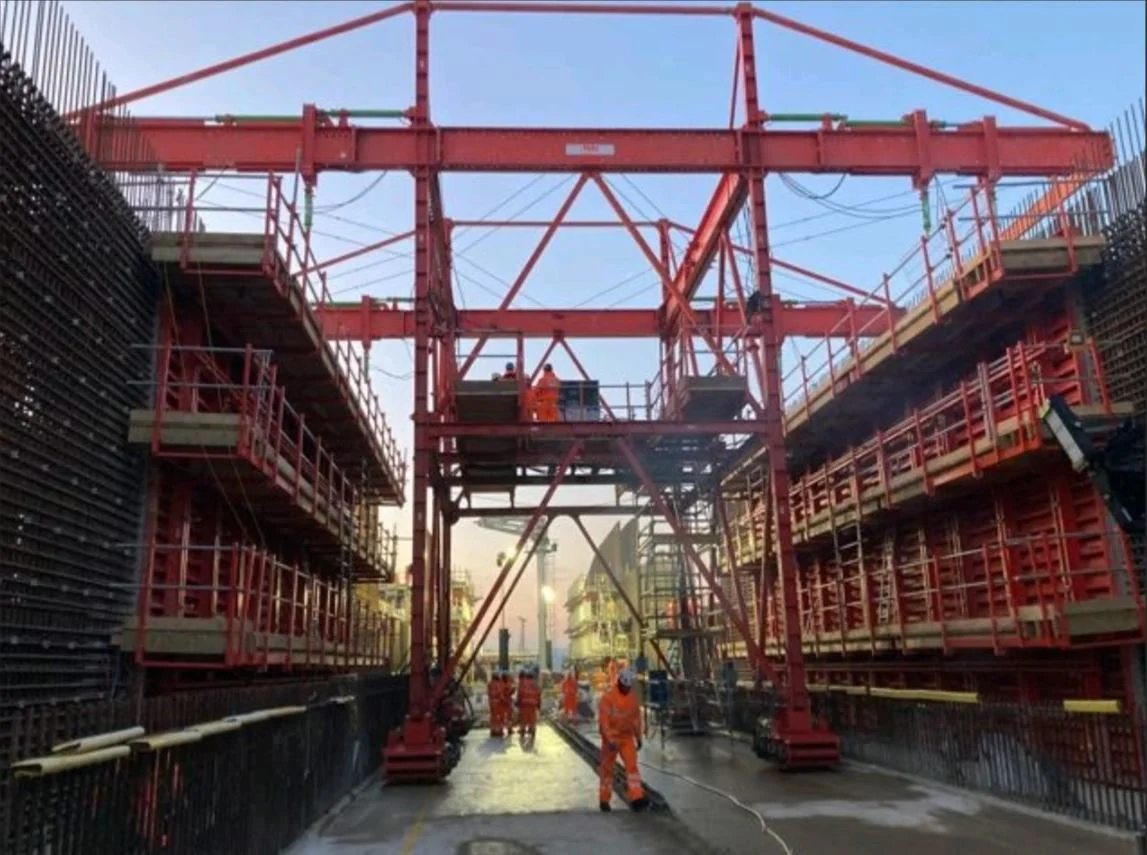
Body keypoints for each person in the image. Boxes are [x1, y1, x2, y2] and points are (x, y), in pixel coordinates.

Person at [597, 667, 648, 812]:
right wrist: (609, 739)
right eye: (625, 686)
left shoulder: (632, 699)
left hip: (626, 738)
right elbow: (604, 722)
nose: (626, 689)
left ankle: (636, 798)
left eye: (628, 687)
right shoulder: (608, 698)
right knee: (607, 769)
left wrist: (638, 737)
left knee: (632, 767)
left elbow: (635, 720)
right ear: (620, 683)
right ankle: (604, 799)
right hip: (611, 739)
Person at [517, 666, 541, 740]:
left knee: (523, 720)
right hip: (533, 705)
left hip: (524, 705)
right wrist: (538, 705)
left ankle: (523, 733)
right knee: (532, 720)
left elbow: (519, 694)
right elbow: (538, 695)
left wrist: (518, 703)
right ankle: (532, 732)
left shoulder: (522, 684)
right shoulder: (535, 685)